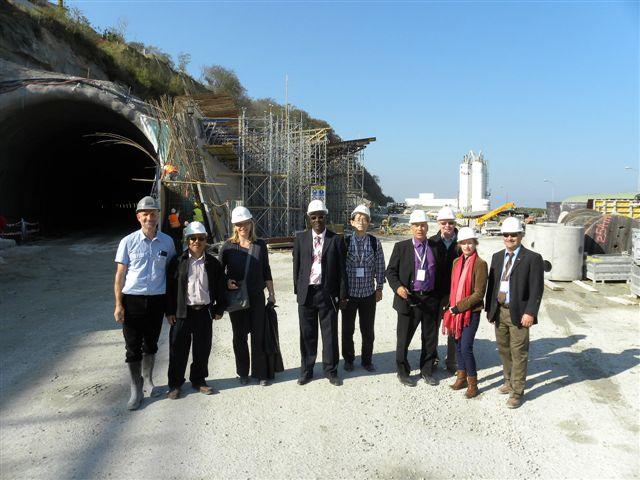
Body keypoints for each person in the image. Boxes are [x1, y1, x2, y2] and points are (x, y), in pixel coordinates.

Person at [113, 196, 176, 410]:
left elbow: (171, 274)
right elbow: (120, 275)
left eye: (153, 213)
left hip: (157, 300)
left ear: (158, 216)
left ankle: (148, 380)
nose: (150, 217)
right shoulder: (128, 242)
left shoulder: (167, 241)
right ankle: (136, 387)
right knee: (132, 347)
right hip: (132, 300)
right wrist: (118, 305)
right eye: (145, 214)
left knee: (151, 343)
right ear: (139, 217)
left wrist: (170, 307)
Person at [485, 217, 544, 409]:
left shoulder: (532, 259)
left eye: (514, 234)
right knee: (504, 350)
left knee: (519, 353)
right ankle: (508, 381)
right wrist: (490, 310)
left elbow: (537, 289)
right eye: (506, 235)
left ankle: (517, 392)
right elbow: (492, 286)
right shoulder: (496, 257)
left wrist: (530, 312)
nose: (510, 238)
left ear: (521, 235)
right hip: (500, 311)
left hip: (519, 313)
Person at [165, 222, 226, 399]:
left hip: (204, 312)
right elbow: (169, 288)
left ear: (206, 240)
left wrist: (219, 308)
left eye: (201, 238)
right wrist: (169, 311)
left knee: (202, 348)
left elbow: (220, 286)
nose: (196, 242)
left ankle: (198, 380)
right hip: (182, 313)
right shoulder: (177, 261)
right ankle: (175, 384)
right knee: (178, 349)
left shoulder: (213, 263)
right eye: (193, 238)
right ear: (187, 240)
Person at [218, 206, 277, 386]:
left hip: (257, 297)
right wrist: (226, 282)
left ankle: (260, 373)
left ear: (251, 223)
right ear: (234, 226)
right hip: (237, 298)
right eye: (238, 224)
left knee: (258, 334)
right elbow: (218, 273)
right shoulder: (227, 246)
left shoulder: (260, 245)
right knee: (240, 336)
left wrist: (272, 294)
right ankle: (242, 372)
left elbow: (266, 270)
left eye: (245, 223)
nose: (242, 227)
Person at [293, 199, 348, 386]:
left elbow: (342, 270)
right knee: (307, 335)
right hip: (307, 294)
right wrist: (298, 291)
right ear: (309, 218)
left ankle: (331, 371)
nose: (318, 220)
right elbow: (297, 267)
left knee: (330, 335)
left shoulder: (336, 239)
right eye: (314, 217)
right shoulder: (301, 239)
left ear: (326, 217)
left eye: (321, 217)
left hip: (327, 294)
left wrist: (342, 295)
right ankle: (306, 370)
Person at [385, 209, 439, 387]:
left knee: (430, 338)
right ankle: (402, 370)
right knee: (404, 337)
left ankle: (427, 370)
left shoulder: (435, 247)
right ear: (411, 227)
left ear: (427, 227)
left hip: (430, 298)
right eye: (416, 225)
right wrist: (398, 287)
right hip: (408, 298)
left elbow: (442, 274)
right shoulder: (401, 247)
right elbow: (390, 271)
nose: (420, 228)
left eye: (423, 225)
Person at [442, 227, 487, 398]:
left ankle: (473, 383)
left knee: (466, 347)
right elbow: (454, 287)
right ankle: (461, 377)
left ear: (475, 243)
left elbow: (479, 294)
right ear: (459, 244)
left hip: (470, 313)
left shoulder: (480, 264)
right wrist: (450, 306)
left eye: (470, 243)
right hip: (455, 313)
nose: (467, 246)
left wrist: (458, 307)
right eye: (464, 243)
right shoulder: (456, 262)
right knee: (458, 346)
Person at [342, 204, 385, 373]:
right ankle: (349, 359)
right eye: (358, 219)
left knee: (368, 330)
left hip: (368, 294)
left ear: (369, 223)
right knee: (347, 330)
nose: (361, 221)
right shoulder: (345, 242)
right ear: (351, 222)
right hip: (350, 295)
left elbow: (380, 266)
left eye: (365, 219)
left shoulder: (375, 243)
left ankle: (367, 360)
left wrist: (379, 287)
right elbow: (340, 269)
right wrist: (341, 293)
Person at [430, 206, 460, 373]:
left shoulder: (462, 243)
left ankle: (452, 361)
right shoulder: (431, 242)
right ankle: (433, 358)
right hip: (435, 293)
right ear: (439, 223)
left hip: (455, 294)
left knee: (453, 329)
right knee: (432, 328)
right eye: (444, 222)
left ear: (454, 223)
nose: (447, 225)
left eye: (450, 222)